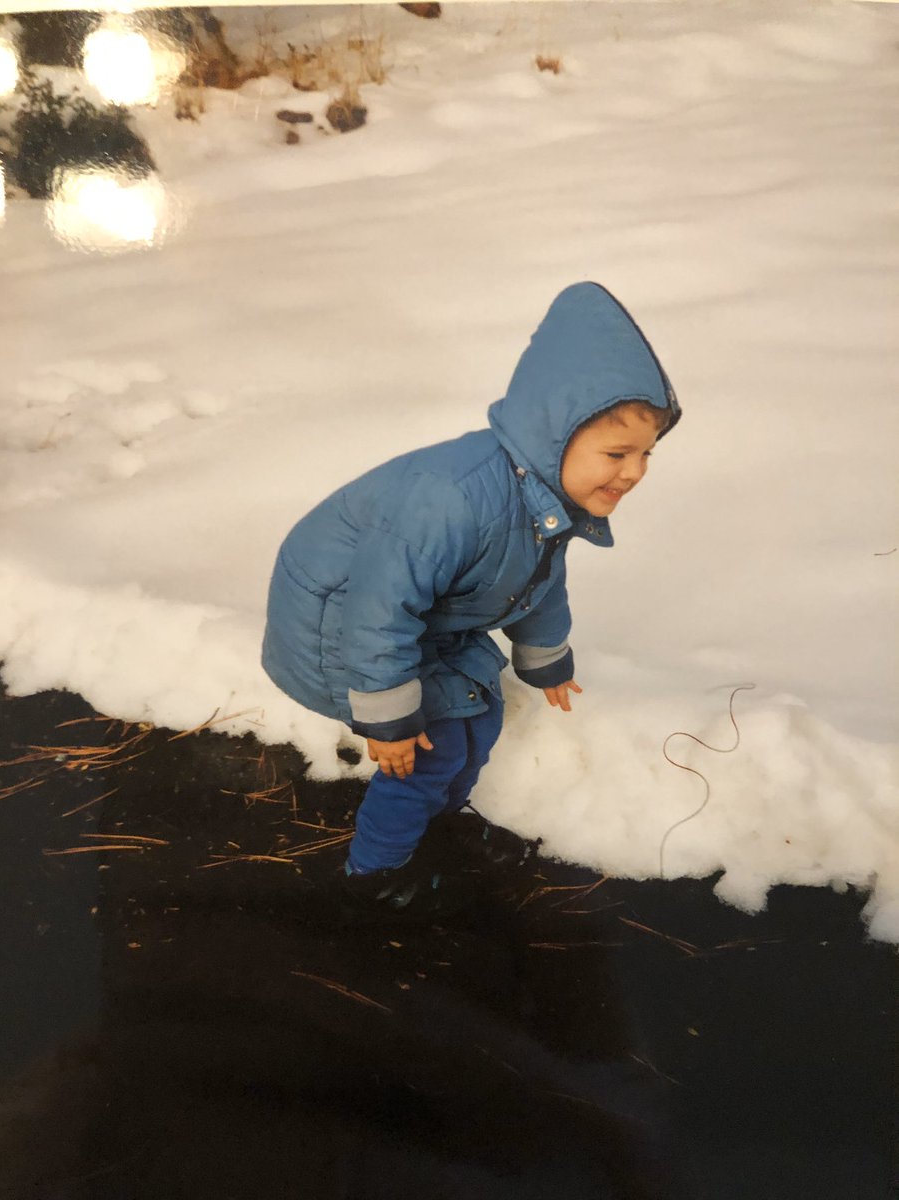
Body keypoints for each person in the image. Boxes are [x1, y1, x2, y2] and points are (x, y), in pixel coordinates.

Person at [262, 281, 680, 917]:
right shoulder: (451, 499)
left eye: (647, 454)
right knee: (426, 753)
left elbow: (539, 577)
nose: (635, 472)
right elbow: (378, 609)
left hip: (420, 624)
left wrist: (545, 661)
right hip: (338, 622)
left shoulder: (542, 496)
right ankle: (370, 872)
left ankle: (432, 823)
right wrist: (389, 721)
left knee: (478, 724)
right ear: (551, 436)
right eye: (617, 452)